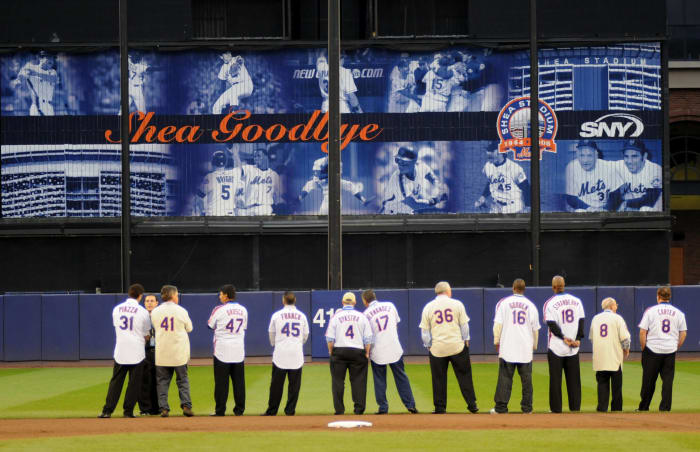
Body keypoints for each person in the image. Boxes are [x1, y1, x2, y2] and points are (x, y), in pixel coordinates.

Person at [419, 281, 479, 414]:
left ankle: (440, 407)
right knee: (464, 376)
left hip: (438, 348)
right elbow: (464, 326)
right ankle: (472, 404)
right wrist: (466, 340)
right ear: (447, 291)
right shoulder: (457, 304)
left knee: (438, 378)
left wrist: (428, 345)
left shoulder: (428, 307)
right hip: (456, 345)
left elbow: (424, 332)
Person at [98, 283, 151, 418]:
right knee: (134, 383)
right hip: (137, 351)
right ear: (140, 296)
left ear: (129, 294)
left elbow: (117, 326)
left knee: (116, 382)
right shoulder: (143, 312)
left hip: (121, 350)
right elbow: (146, 334)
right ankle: (128, 411)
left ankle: (107, 411)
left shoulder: (117, 309)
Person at [362, 289, 418, 414]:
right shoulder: (390, 305)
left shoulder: (366, 314)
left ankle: (383, 407)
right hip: (394, 347)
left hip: (378, 350)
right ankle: (411, 405)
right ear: (375, 297)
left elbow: (368, 336)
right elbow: (396, 324)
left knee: (380, 380)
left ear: (365, 301)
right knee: (401, 377)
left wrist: (367, 352)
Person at [490, 279, 540, 414]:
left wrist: (496, 341)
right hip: (525, 348)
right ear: (524, 289)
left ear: (513, 288)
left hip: (508, 347)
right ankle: (527, 408)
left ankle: (501, 408)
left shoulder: (504, 303)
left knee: (505, 379)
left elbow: (498, 325)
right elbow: (535, 330)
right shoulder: (531, 306)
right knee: (527, 380)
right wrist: (534, 345)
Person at [637, 286, 688, 412]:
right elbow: (684, 333)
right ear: (669, 296)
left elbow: (643, 332)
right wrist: (676, 346)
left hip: (652, 350)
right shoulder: (678, 313)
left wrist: (644, 348)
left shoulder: (650, 311)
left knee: (648, 381)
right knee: (667, 381)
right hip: (669, 350)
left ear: (658, 296)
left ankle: (644, 407)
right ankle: (665, 408)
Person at [325, 292, 373, 415]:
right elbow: (368, 338)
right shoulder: (362, 316)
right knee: (359, 381)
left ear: (342, 303)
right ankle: (359, 409)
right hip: (357, 351)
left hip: (339, 351)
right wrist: (367, 352)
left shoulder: (336, 316)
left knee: (338, 381)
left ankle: (339, 410)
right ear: (355, 302)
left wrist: (331, 351)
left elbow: (330, 339)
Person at [150, 285, 194, 417]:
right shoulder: (181, 310)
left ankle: (164, 408)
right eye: (176, 294)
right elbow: (189, 328)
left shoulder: (155, 312)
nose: (177, 296)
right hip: (179, 351)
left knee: (162, 382)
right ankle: (186, 406)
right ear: (173, 295)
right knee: (183, 380)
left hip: (162, 351)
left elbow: (155, 327)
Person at [263, 291, 310, 416]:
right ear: (295, 301)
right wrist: (299, 343)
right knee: (294, 386)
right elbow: (305, 335)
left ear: (283, 300)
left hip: (280, 353)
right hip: (296, 353)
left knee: (276, 385)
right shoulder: (302, 316)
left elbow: (271, 333)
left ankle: (272, 410)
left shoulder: (277, 315)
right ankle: (290, 410)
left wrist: (274, 344)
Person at [543, 275, 585, 413]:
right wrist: (578, 339)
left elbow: (551, 324)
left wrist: (563, 337)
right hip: (574, 347)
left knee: (555, 380)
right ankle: (575, 409)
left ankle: (556, 410)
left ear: (553, 287)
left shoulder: (550, 302)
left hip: (556, 347)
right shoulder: (577, 301)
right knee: (574, 381)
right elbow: (581, 321)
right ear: (564, 285)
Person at [207, 284, 248, 416]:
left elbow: (210, 325)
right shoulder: (243, 309)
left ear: (225, 295)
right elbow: (244, 327)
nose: (220, 296)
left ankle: (220, 410)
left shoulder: (218, 309)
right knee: (239, 382)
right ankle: (239, 410)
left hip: (222, 351)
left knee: (221, 383)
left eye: (220, 294)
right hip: (238, 350)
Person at [589, 297, 631, 412]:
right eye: (616, 305)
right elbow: (625, 338)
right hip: (614, 357)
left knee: (602, 383)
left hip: (600, 357)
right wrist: (626, 350)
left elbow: (592, 338)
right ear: (612, 306)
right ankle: (616, 409)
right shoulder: (617, 318)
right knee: (616, 386)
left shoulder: (595, 318)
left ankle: (602, 408)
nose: (616, 307)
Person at [379, 146, 447, 215]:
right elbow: (414, 204)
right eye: (397, 160)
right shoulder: (399, 181)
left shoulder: (420, 166)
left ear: (414, 161)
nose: (400, 165)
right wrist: (436, 200)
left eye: (404, 162)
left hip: (405, 213)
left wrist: (440, 187)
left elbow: (430, 176)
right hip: (389, 215)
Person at [297, 156, 371, 214]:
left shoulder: (338, 162)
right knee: (310, 184)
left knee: (349, 185)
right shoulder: (319, 162)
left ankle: (363, 200)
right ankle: (300, 198)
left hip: (332, 182)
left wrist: (330, 176)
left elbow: (338, 175)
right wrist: (326, 176)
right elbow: (318, 176)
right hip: (321, 181)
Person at [564, 140, 622, 212]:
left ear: (596, 156)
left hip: (604, 206)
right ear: (577, 155)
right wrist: (589, 208)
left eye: (589, 155)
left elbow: (616, 194)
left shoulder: (608, 167)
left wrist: (607, 209)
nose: (585, 160)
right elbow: (571, 197)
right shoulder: (571, 167)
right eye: (582, 155)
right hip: (582, 207)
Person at [474, 140, 530, 213]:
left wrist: (528, 207)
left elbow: (526, 187)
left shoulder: (515, 168)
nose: (489, 160)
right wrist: (483, 197)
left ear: (500, 152)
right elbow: (491, 182)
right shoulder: (488, 166)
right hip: (495, 207)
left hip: (514, 208)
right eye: (488, 156)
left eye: (491, 156)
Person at [608, 139, 663, 212]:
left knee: (645, 209)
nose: (630, 161)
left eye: (634, 156)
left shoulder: (655, 169)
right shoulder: (618, 166)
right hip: (632, 202)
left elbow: (650, 199)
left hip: (653, 206)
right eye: (626, 156)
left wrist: (627, 203)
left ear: (644, 156)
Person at [195, 146, 243, 216]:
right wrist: (235, 154)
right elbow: (239, 168)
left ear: (212, 163)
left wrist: (202, 212)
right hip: (229, 215)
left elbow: (199, 197)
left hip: (214, 214)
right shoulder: (234, 174)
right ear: (225, 163)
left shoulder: (210, 177)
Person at [237, 148, 283, 216]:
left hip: (265, 208)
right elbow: (238, 170)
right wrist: (235, 155)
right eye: (254, 156)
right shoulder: (249, 169)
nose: (255, 158)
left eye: (258, 155)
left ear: (266, 157)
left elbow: (278, 195)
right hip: (249, 209)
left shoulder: (274, 175)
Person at [15, 51, 58, 116]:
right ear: (41, 58)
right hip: (36, 106)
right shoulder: (31, 67)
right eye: (48, 57)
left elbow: (53, 79)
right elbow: (19, 81)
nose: (51, 60)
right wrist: (22, 76)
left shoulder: (52, 71)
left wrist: (35, 73)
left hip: (49, 107)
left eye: (53, 58)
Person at [138, 294, 160, 416]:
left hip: (158, 351)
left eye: (152, 301)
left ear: (157, 303)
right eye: (147, 301)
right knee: (144, 381)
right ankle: (145, 409)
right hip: (144, 351)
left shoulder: (160, 316)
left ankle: (157, 408)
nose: (149, 303)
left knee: (158, 381)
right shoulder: (141, 316)